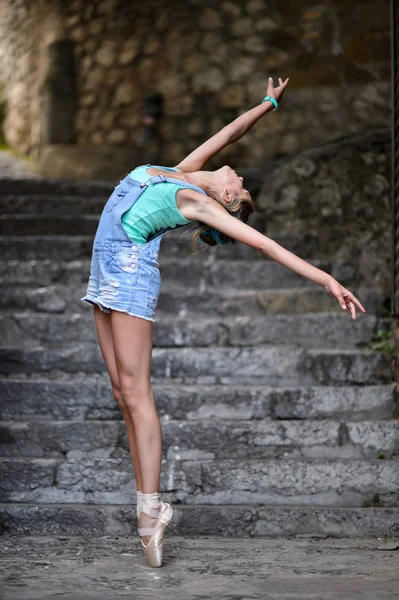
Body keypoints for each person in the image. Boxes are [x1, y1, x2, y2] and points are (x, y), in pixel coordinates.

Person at [81, 76, 366, 568]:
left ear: (229, 200)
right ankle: (148, 509)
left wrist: (325, 279)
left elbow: (265, 244)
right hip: (104, 269)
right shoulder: (184, 173)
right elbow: (230, 135)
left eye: (242, 188)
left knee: (138, 392)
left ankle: (150, 514)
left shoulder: (200, 203)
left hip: (127, 275)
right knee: (120, 394)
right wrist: (267, 105)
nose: (241, 177)